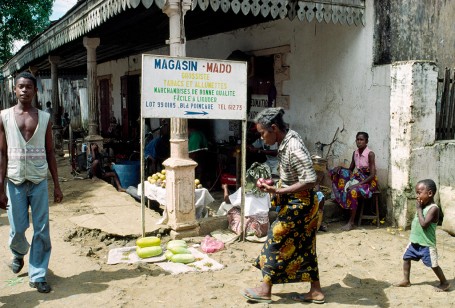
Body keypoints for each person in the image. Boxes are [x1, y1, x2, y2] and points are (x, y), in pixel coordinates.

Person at [241, 107, 324, 304]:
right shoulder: (286, 141)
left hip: (302, 204)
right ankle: (316, 291)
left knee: (275, 238)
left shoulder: (293, 146)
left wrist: (279, 192)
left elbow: (311, 179)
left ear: (274, 128)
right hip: (300, 201)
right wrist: (273, 184)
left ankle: (265, 289)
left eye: (263, 133)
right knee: (305, 246)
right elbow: (292, 177)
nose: (262, 138)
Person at [0, 71, 63, 293]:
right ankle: (18, 253)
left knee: (42, 229)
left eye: (29, 86)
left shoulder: (43, 117)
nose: (24, 90)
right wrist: (0, 188)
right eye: (21, 86)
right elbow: (2, 153)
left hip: (38, 180)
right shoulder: (4, 116)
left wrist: (56, 184)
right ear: (14, 90)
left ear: (35, 91)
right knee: (17, 228)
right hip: (15, 179)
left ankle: (38, 274)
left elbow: (50, 151)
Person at [395, 179, 450, 292]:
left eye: (419, 193)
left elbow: (424, 224)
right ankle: (406, 280)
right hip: (415, 242)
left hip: (427, 244)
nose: (417, 196)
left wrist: (419, 209)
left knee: (433, 265)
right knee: (406, 258)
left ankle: (444, 282)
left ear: (430, 193)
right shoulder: (423, 206)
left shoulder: (433, 208)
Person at [329, 131, 378, 231]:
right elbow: (350, 169)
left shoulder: (370, 154)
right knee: (338, 172)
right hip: (358, 177)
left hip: (369, 181)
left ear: (366, 141)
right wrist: (340, 168)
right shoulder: (355, 153)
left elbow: (372, 175)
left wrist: (357, 185)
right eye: (357, 139)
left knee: (353, 191)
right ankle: (340, 197)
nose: (359, 142)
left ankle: (351, 222)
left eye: (362, 140)